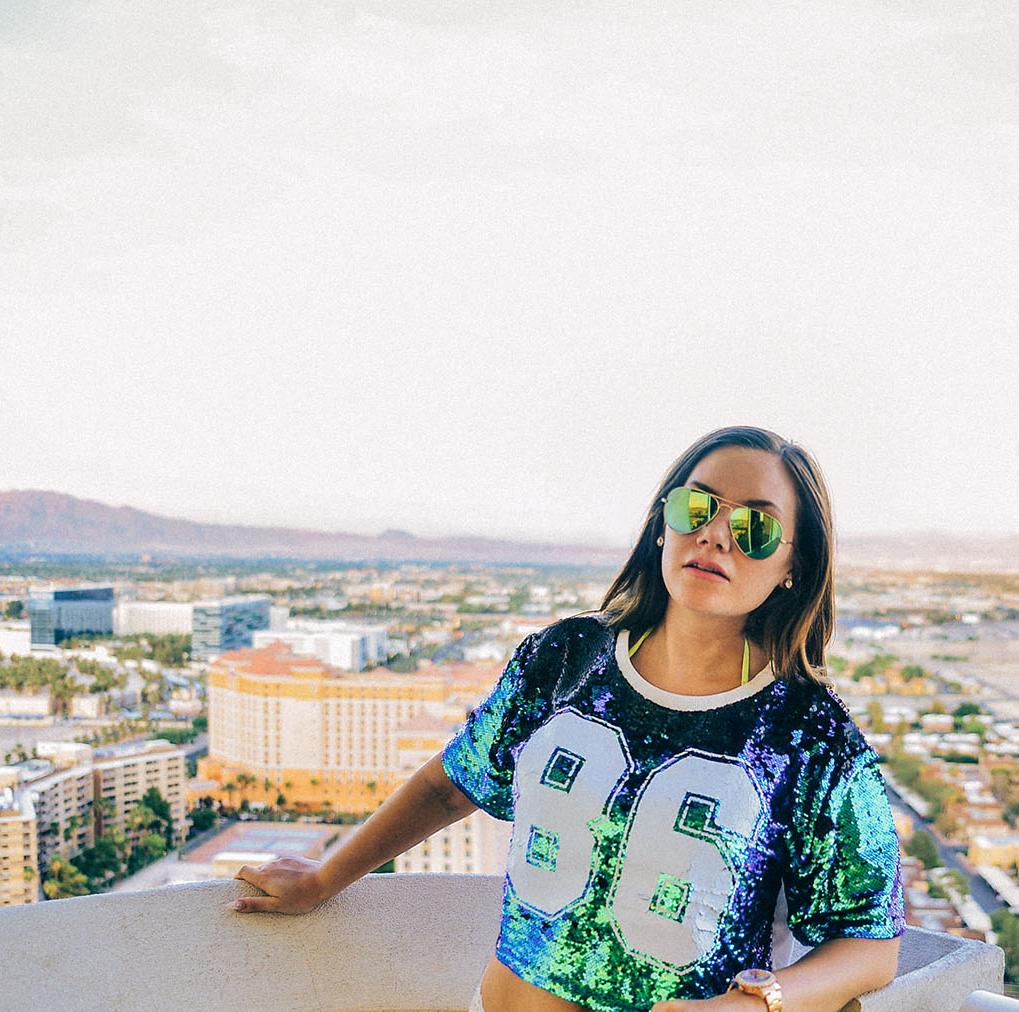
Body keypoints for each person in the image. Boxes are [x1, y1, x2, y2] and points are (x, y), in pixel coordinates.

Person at [232, 426, 904, 1012]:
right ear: (662, 523)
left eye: (754, 527)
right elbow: (454, 781)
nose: (713, 534)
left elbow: (871, 943)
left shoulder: (810, 737)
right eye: (696, 505)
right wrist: (324, 877)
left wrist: (760, 1005)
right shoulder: (567, 658)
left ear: (794, 563)